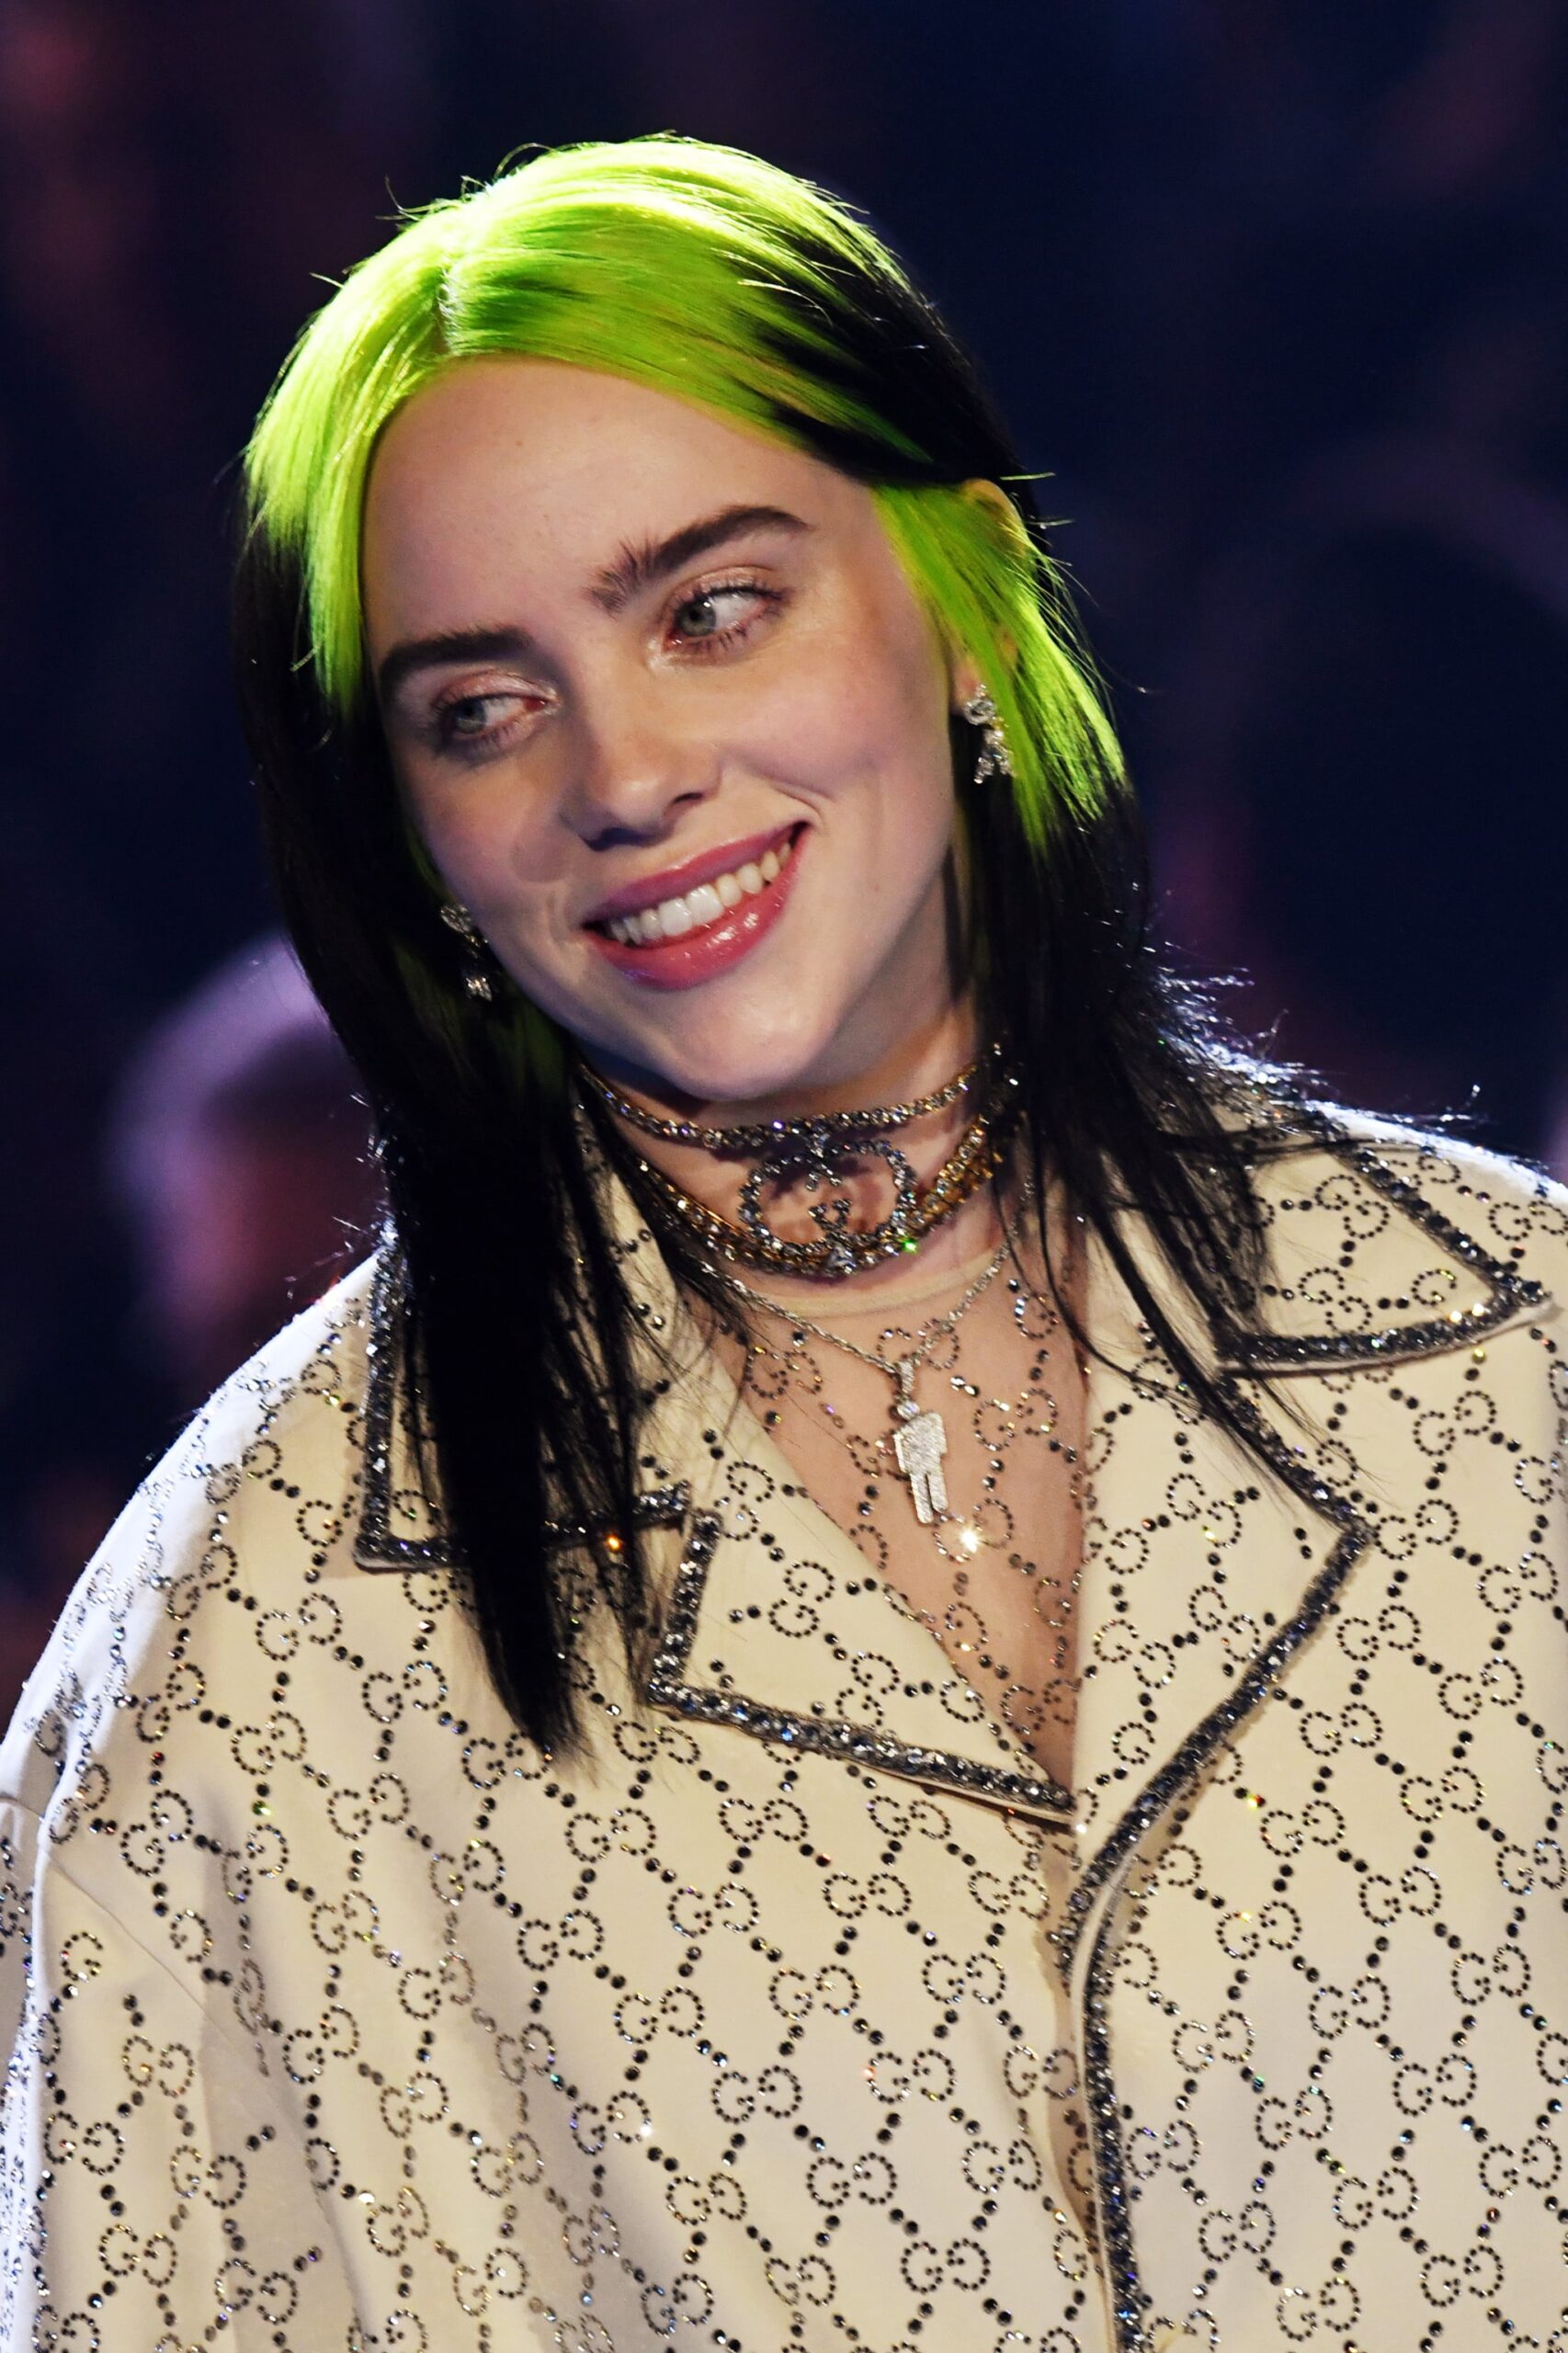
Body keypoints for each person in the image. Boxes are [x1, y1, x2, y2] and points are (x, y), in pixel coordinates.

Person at [1, 138, 1563, 2353]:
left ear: (964, 598)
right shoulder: (247, 1653)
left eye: (710, 612)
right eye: (480, 707)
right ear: (414, 838)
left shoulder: (1515, 1366)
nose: (624, 772)